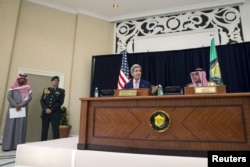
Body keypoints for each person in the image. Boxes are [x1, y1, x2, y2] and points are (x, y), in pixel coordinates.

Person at [2, 74, 32, 151]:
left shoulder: (28, 88)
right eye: (20, 78)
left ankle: (18, 146)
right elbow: (9, 97)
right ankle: (7, 146)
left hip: (22, 109)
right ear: (18, 79)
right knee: (10, 126)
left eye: (23, 79)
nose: (22, 79)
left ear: (25, 80)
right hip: (13, 108)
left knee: (20, 127)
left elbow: (29, 98)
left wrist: (20, 105)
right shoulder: (12, 87)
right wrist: (15, 104)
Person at [40, 76, 65, 141]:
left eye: (57, 80)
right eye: (54, 80)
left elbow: (60, 102)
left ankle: (55, 145)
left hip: (55, 113)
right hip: (45, 113)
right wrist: (46, 109)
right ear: (52, 81)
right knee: (44, 130)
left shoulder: (61, 91)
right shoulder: (46, 89)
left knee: (55, 131)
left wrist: (51, 109)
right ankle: (42, 144)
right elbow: (42, 100)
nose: (56, 81)